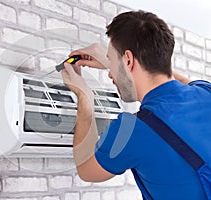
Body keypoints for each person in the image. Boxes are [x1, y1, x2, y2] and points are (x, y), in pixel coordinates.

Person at [61, 10, 211, 199]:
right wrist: (116, 62)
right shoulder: (206, 92)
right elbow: (169, 78)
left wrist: (85, 97)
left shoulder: (131, 130)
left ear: (129, 60)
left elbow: (86, 168)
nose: (110, 74)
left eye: (112, 62)